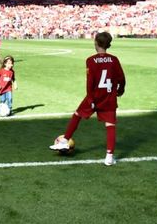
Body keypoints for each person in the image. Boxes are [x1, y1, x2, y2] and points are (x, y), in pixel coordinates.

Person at [49, 31, 126, 166]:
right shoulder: (114, 59)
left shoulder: (90, 60)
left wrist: (90, 99)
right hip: (109, 97)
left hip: (94, 96)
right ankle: (109, 157)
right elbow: (122, 78)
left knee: (77, 115)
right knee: (110, 126)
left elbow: (90, 82)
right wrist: (121, 90)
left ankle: (65, 140)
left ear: (96, 43)